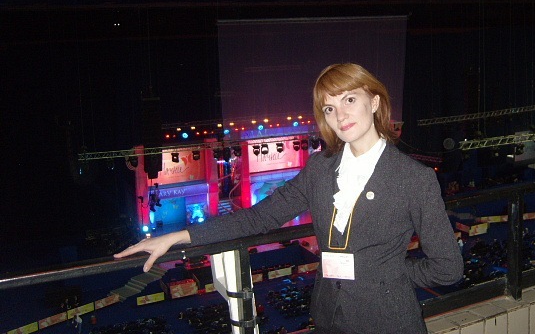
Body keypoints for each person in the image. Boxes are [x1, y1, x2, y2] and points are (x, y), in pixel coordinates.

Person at [115, 63, 463, 334]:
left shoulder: (413, 179)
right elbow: (259, 217)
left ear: (374, 102)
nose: (340, 115)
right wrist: (181, 236)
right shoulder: (320, 168)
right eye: (329, 108)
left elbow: (448, 269)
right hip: (328, 317)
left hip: (388, 321)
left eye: (349, 100)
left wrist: (387, 275)